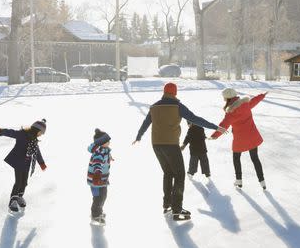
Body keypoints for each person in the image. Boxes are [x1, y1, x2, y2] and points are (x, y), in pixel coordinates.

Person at [133, 82, 225, 221]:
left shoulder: (154, 106)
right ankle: (177, 209)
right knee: (180, 175)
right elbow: (195, 119)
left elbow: (145, 123)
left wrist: (138, 137)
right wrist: (215, 127)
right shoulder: (177, 106)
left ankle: (167, 204)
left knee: (168, 173)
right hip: (170, 144)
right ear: (175, 93)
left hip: (156, 144)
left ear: (164, 92)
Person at [211, 88, 267, 189]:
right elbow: (254, 101)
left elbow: (223, 125)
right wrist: (262, 95)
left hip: (240, 139)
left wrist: (214, 135)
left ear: (228, 98)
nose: (223, 99)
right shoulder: (245, 104)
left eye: (224, 98)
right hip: (252, 136)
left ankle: (239, 180)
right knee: (255, 158)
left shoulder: (231, 112)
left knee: (236, 158)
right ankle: (262, 181)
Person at [0, 119, 47, 212]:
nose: (41, 135)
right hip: (18, 161)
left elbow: (37, 152)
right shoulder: (22, 134)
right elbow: (11, 133)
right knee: (18, 181)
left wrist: (41, 163)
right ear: (37, 130)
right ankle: (13, 201)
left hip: (26, 164)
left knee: (24, 182)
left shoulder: (34, 140)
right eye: (41, 133)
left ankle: (19, 196)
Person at [87, 129, 113, 225]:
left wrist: (109, 158)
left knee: (103, 196)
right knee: (98, 198)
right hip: (96, 181)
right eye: (107, 141)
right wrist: (97, 177)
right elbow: (97, 165)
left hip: (102, 180)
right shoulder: (99, 152)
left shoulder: (104, 150)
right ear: (102, 143)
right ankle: (95, 216)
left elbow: (105, 156)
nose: (109, 142)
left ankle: (99, 212)